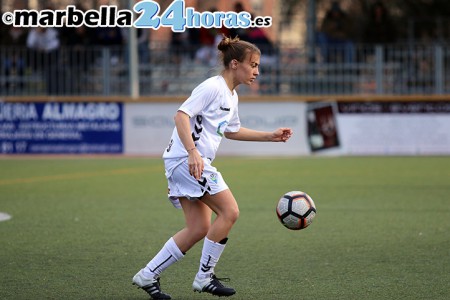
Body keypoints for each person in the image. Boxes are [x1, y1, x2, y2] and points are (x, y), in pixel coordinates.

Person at [132, 36, 293, 299]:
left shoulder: (232, 95)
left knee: (198, 229)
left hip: (184, 161)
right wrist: (193, 153)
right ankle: (204, 278)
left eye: (258, 65)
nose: (257, 71)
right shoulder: (212, 87)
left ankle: (147, 275)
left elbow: (232, 131)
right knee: (229, 212)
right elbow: (181, 115)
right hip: (187, 161)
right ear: (234, 64)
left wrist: (270, 136)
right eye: (252, 65)